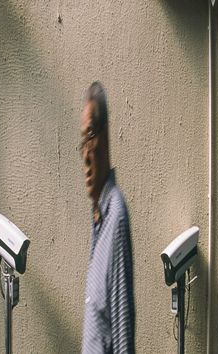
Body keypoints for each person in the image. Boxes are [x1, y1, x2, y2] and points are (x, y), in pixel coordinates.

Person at [79, 81, 135, 354]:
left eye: (91, 135)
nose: (86, 156)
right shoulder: (99, 221)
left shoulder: (116, 219)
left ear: (107, 138)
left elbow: (122, 336)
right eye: (82, 142)